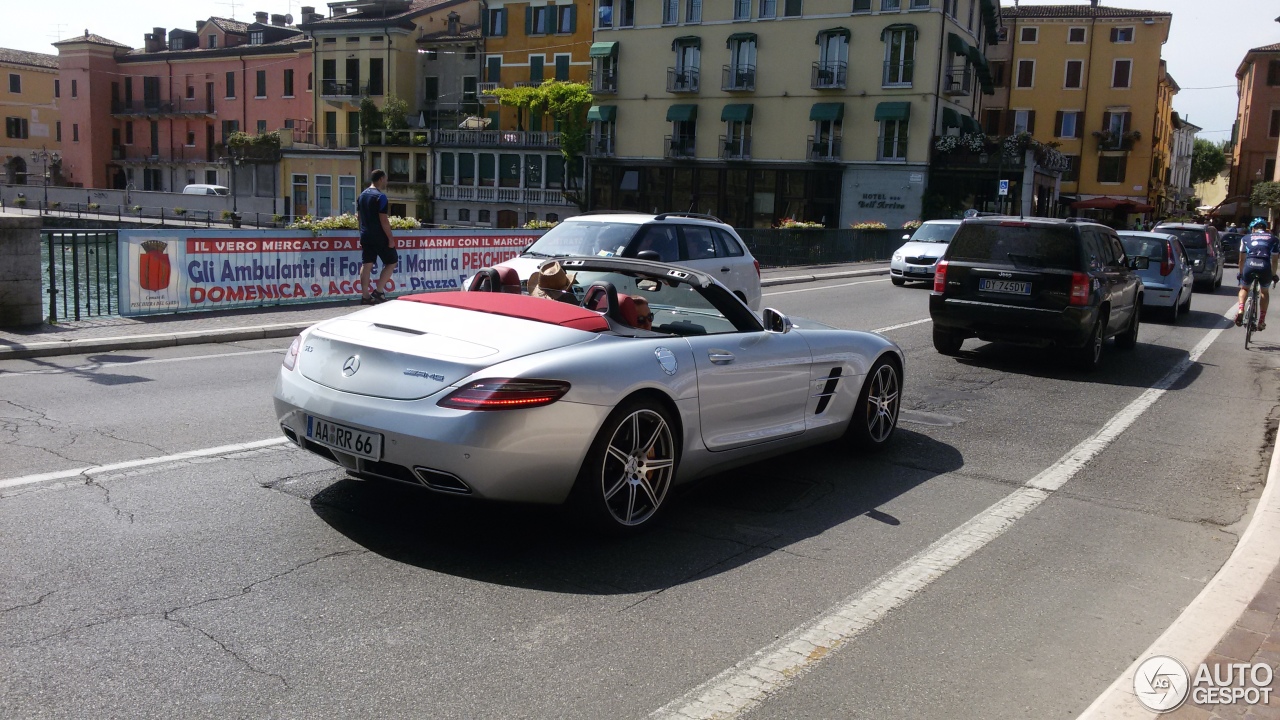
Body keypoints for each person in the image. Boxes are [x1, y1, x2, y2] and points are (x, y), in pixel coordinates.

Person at [357, 169, 397, 305]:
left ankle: (365, 295)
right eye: (385, 179)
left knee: (366, 263)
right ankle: (379, 291)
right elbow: (383, 220)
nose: (386, 181)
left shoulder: (362, 195)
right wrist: (390, 239)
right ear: (380, 179)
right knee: (392, 261)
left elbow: (359, 217)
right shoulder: (381, 197)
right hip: (379, 235)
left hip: (365, 234)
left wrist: (360, 232)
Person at [1236, 218, 1280, 330]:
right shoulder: (1274, 239)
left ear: (1253, 228)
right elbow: (1274, 261)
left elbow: (1241, 259)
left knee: (1244, 289)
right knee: (1264, 292)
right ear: (1265, 228)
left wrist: (1241, 273)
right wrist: (1273, 275)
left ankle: (1241, 309)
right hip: (1264, 266)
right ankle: (1261, 320)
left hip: (1249, 265)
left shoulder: (1245, 238)